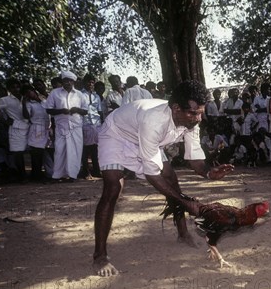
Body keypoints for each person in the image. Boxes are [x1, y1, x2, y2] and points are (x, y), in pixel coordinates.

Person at [93, 80, 234, 276]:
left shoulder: (191, 121)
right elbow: (152, 175)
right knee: (113, 188)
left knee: (171, 178)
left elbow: (194, 158)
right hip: (116, 134)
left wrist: (209, 172)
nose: (199, 118)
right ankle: (100, 256)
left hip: (144, 138)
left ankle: (183, 234)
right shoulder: (154, 121)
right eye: (193, 113)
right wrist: (186, 202)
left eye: (201, 112)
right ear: (176, 109)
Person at [44, 71, 88, 182]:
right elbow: (48, 109)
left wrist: (77, 110)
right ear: (62, 81)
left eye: (70, 80)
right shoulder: (55, 93)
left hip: (75, 126)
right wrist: (61, 111)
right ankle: (58, 175)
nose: (68, 82)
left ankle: (72, 175)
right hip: (61, 126)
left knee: (75, 151)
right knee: (60, 150)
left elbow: (85, 111)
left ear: (73, 82)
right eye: (65, 80)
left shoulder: (79, 94)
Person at [0, 78, 29, 181]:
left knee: (34, 151)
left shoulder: (25, 97)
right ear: (9, 89)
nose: (16, 89)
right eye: (13, 87)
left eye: (17, 87)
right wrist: (5, 121)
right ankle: (22, 176)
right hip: (15, 128)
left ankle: (35, 174)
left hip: (28, 127)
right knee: (18, 153)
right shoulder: (5, 100)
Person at [21, 84, 50, 182]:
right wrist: (24, 103)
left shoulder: (44, 101)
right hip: (36, 128)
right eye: (26, 93)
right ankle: (36, 175)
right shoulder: (29, 104)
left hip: (45, 128)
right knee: (35, 153)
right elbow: (26, 116)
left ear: (34, 91)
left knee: (41, 153)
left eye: (30, 91)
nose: (29, 94)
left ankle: (38, 174)